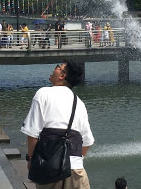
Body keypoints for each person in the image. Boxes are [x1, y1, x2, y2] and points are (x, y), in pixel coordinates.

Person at [22, 60, 94, 189]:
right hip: (76, 170)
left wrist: (31, 159)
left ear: (62, 76)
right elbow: (87, 142)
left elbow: (32, 134)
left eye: (58, 67)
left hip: (50, 168)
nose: (54, 68)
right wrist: (74, 160)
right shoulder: (79, 103)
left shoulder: (43, 94)